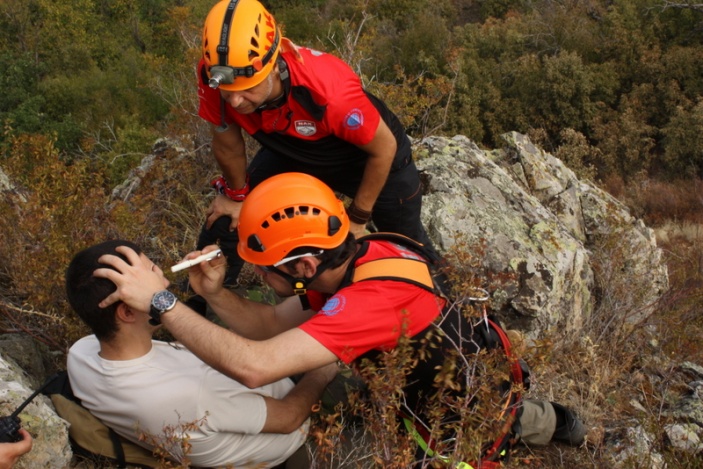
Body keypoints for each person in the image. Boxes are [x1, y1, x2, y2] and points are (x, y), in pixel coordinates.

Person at [94, 174, 586, 466]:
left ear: (304, 266)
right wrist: (217, 295)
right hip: (418, 384)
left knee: (501, 424)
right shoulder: (352, 260)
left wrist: (163, 303)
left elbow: (256, 365)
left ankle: (556, 422)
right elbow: (268, 326)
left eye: (266, 269)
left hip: (452, 410)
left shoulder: (368, 301)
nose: (262, 277)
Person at [194, 0, 437, 288]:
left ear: (273, 66)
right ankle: (208, 297)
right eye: (228, 91)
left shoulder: (327, 91)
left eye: (247, 89)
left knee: (408, 247)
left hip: (369, 161)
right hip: (296, 150)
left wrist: (358, 219)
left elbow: (383, 149)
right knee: (227, 219)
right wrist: (236, 196)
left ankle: (453, 306)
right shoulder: (215, 76)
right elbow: (228, 144)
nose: (235, 101)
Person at [65, 240, 338, 469]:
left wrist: (213, 293)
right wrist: (321, 371)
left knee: (265, 310)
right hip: (290, 432)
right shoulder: (188, 396)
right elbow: (289, 418)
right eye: (151, 280)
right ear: (127, 311)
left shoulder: (82, 353)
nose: (165, 281)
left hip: (235, 394)